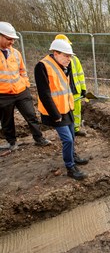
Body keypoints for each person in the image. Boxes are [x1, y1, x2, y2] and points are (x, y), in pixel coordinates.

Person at [34, 39, 88, 180]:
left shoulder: (64, 66)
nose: (69, 59)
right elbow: (44, 94)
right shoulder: (42, 66)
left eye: (70, 56)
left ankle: (73, 156)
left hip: (67, 107)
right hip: (56, 112)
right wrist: (55, 115)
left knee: (72, 136)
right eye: (66, 55)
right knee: (67, 140)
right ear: (55, 53)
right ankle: (70, 167)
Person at [0, 21, 51, 151]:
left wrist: (25, 83)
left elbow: (23, 70)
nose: (12, 42)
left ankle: (39, 138)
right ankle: (12, 143)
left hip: (21, 91)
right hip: (3, 94)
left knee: (31, 115)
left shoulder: (16, 53)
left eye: (13, 39)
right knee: (7, 121)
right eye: (9, 39)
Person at [55, 34, 87, 137]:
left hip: (75, 90)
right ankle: (68, 131)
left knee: (77, 111)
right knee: (66, 112)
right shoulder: (54, 62)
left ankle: (76, 129)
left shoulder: (75, 59)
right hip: (64, 92)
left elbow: (80, 74)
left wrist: (83, 89)